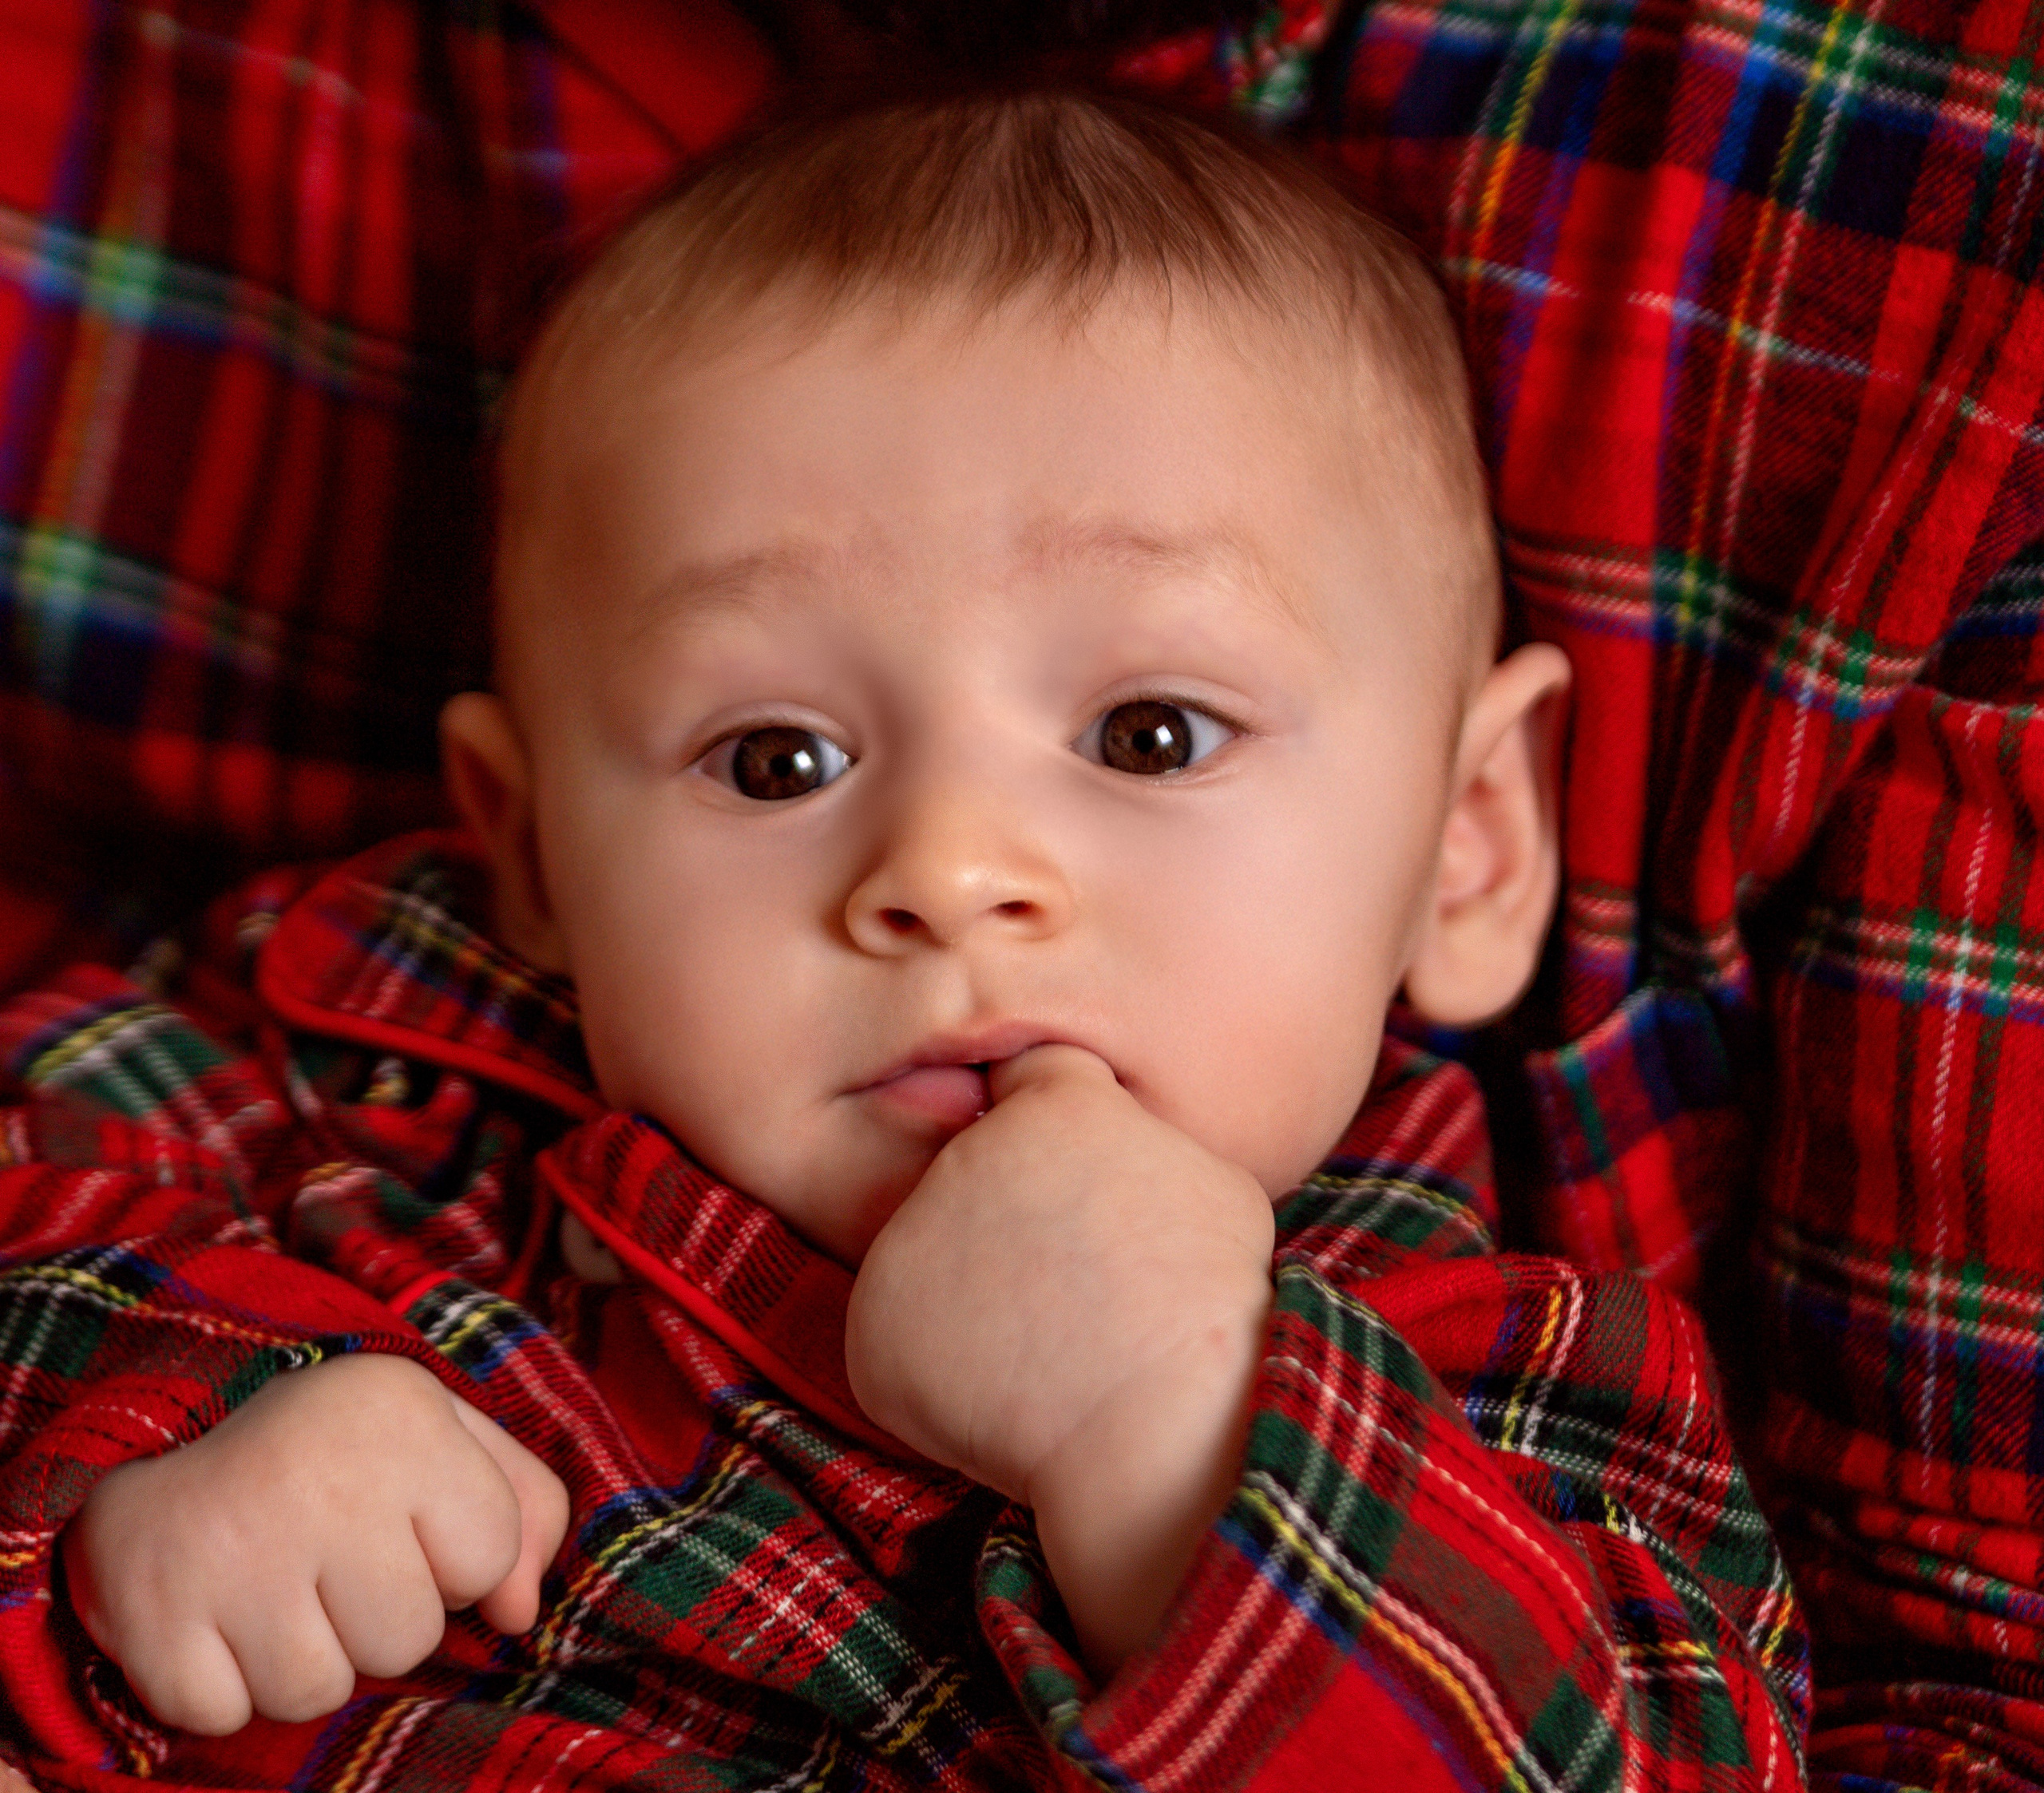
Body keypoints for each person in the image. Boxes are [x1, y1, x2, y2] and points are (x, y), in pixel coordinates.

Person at [0, 85, 1805, 1791]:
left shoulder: (1507, 1371)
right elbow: (42, 1181)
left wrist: (1170, 1427)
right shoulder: (367, 1077)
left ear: (1468, 844)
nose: (945, 871)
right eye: (773, 760)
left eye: (1148, 734)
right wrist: (171, 1432)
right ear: (532, 845)